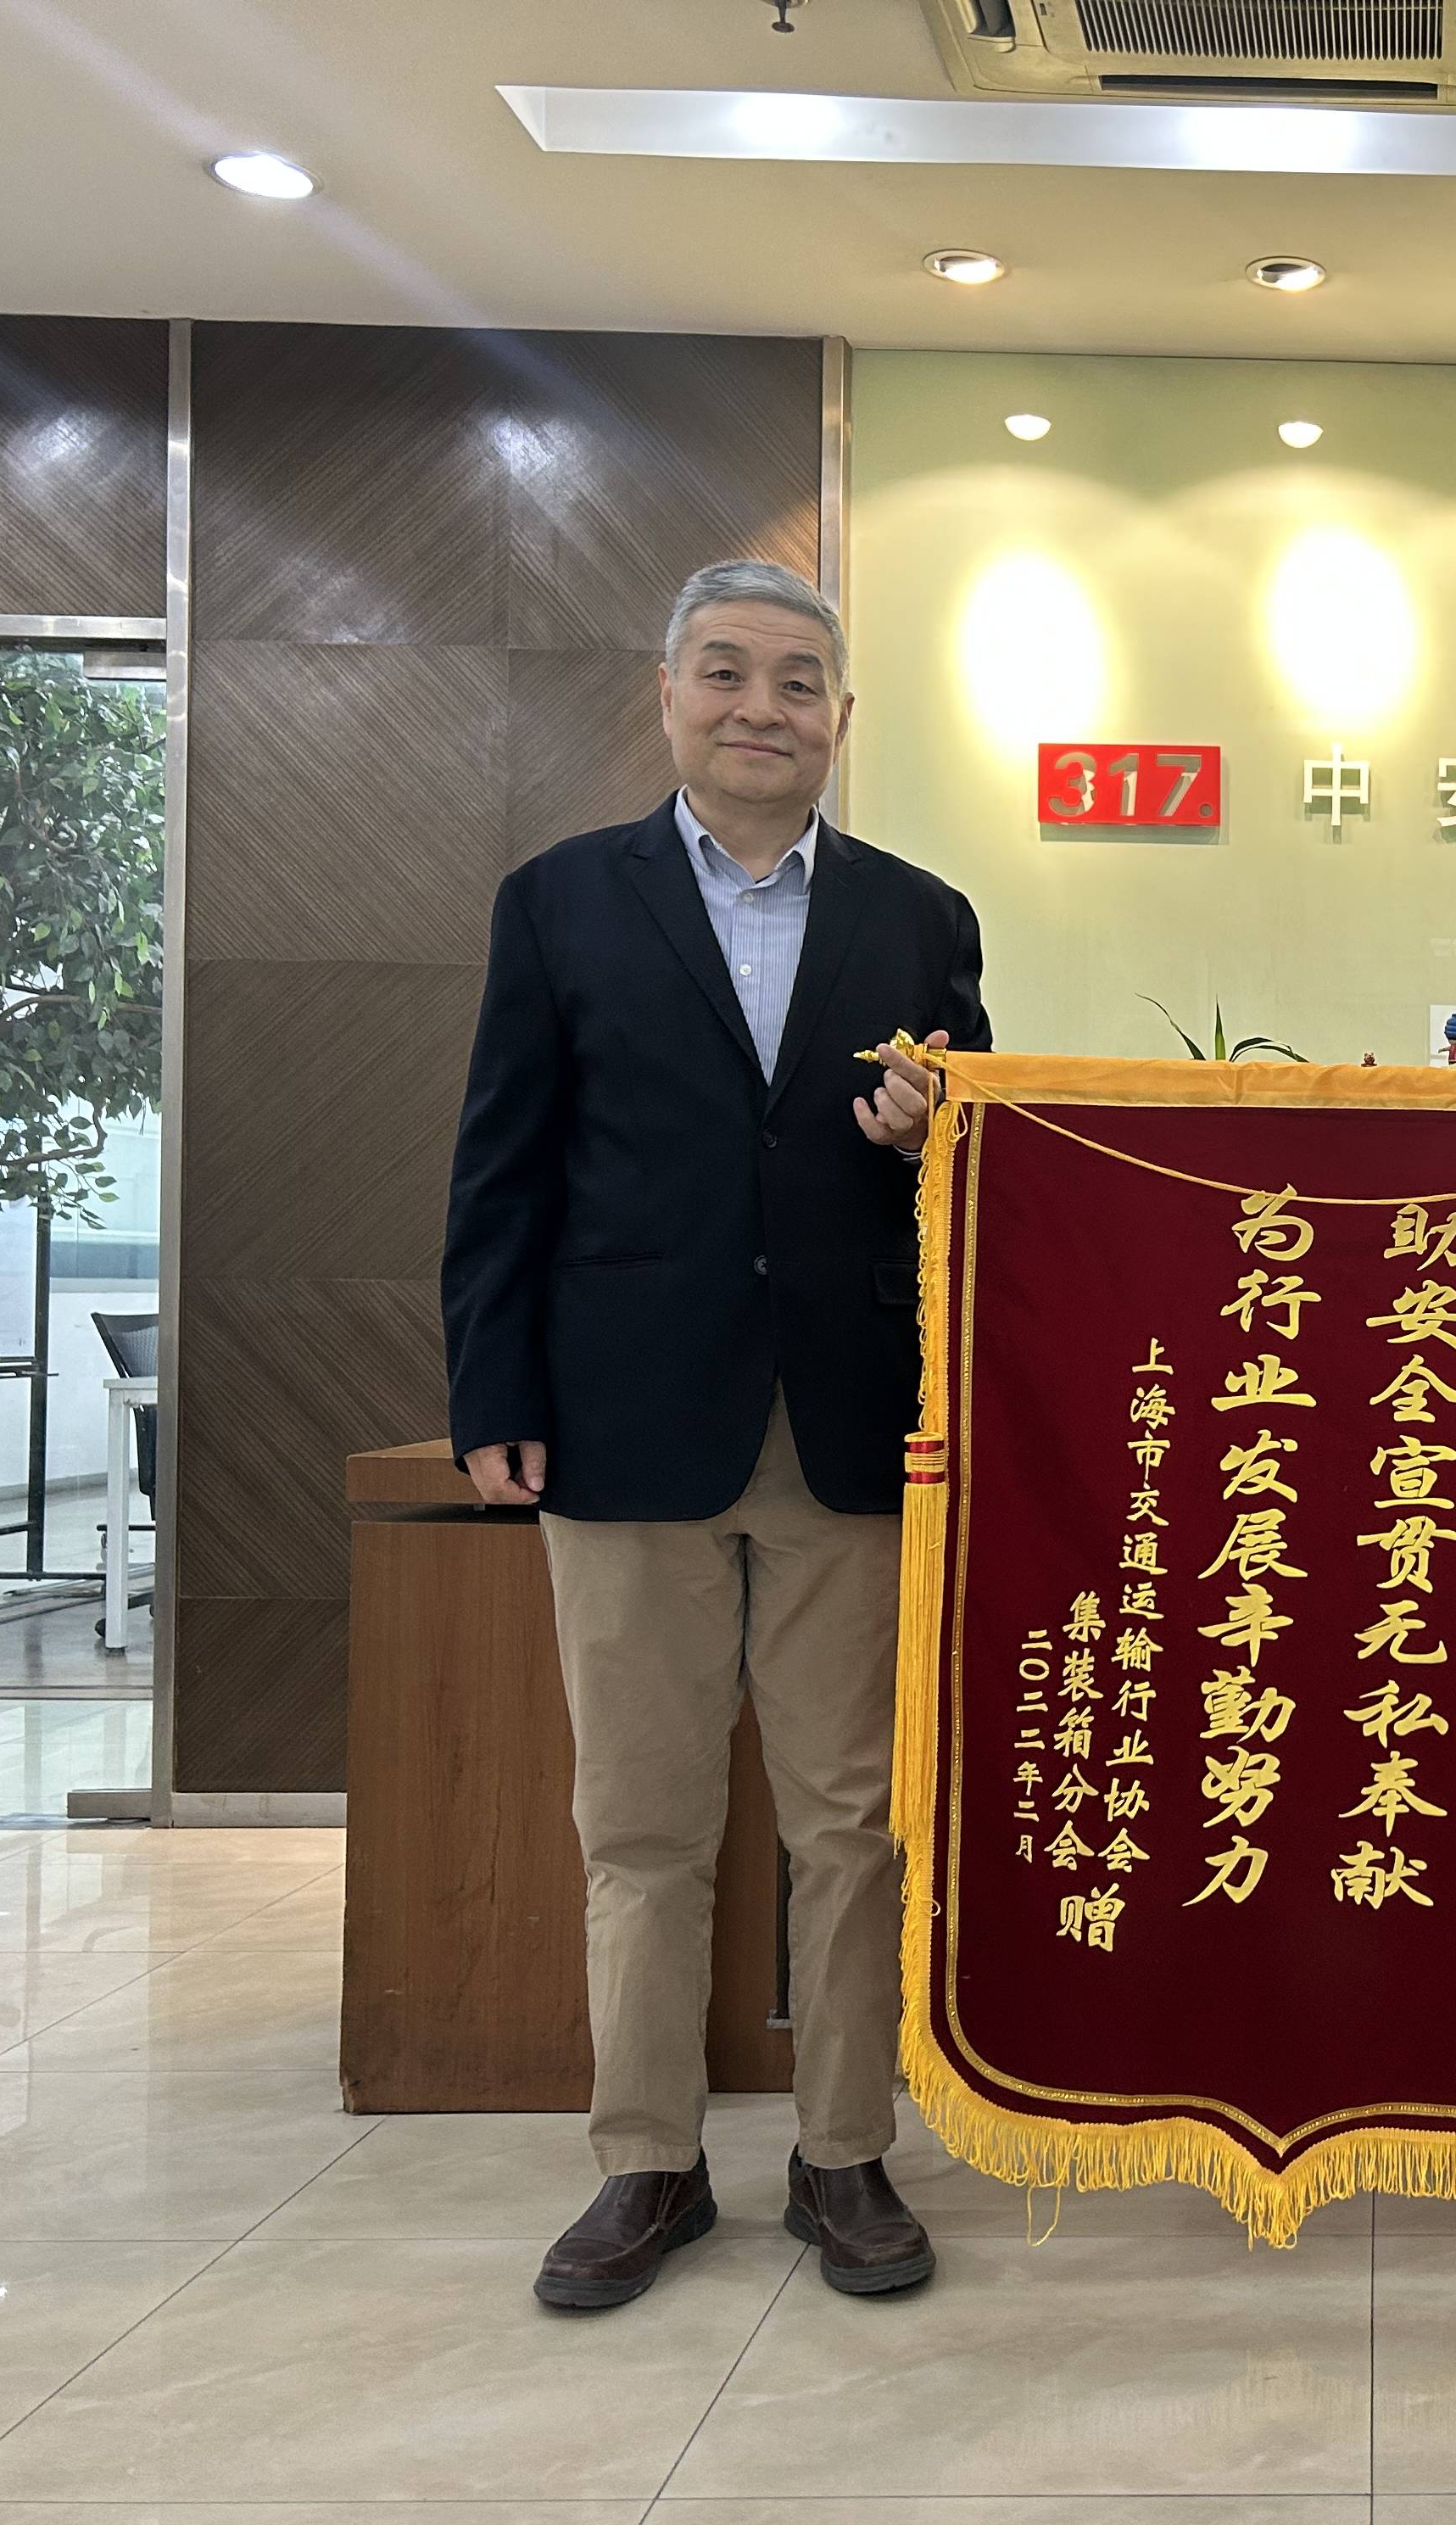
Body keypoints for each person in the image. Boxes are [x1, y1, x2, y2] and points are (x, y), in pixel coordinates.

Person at [442, 558, 990, 2310]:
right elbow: (503, 1164)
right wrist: (492, 1394)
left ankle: (844, 2153)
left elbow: (977, 1176)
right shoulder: (559, 901)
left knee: (853, 1823)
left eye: (799, 680)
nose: (765, 707)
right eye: (729, 672)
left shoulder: (921, 916)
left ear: (843, 716)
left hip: (852, 1429)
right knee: (641, 1823)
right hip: (620, 1422)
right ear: (668, 694)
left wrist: (933, 1134)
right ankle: (647, 2162)